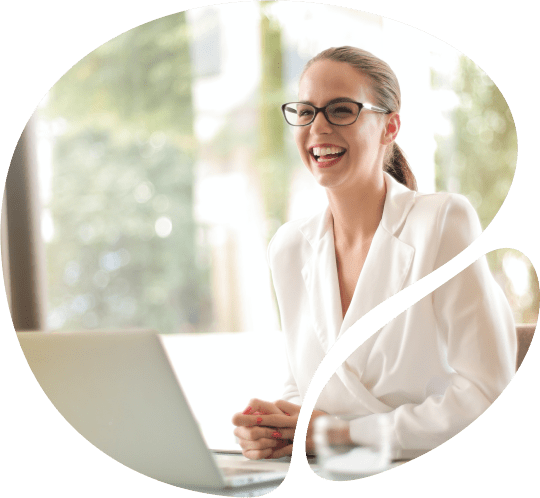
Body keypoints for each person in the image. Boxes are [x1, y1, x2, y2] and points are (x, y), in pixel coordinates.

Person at [231, 46, 517, 460]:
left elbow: (488, 396)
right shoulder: (289, 248)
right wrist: (273, 429)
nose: (318, 127)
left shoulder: (441, 223)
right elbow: (303, 386)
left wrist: (346, 433)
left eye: (341, 110)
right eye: (306, 111)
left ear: (390, 126)